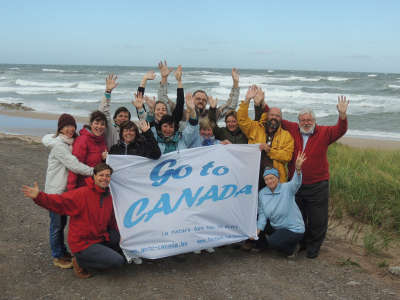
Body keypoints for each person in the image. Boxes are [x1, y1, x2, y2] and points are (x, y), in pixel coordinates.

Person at [22, 163, 125, 278]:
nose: (104, 178)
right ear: (94, 176)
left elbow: (111, 221)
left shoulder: (108, 196)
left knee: (121, 241)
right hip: (83, 242)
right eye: (101, 175)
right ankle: (80, 261)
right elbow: (59, 202)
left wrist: (121, 235)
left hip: (98, 237)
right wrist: (39, 196)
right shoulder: (81, 194)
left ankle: (98, 255)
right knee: (118, 261)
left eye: (108, 176)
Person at [281, 96, 349, 259]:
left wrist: (342, 115)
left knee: (318, 219)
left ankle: (314, 246)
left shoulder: (324, 132)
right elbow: (276, 118)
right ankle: (302, 243)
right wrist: (260, 103)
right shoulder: (292, 129)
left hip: (318, 184)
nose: (306, 122)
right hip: (296, 184)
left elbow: (340, 129)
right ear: (298, 121)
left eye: (309, 120)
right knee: (299, 216)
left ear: (314, 121)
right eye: (303, 120)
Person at [41, 114, 94, 269]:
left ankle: (62, 252)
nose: (70, 129)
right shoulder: (58, 145)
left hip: (65, 192)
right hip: (55, 192)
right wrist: (95, 172)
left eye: (72, 126)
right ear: (60, 128)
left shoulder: (69, 142)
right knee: (57, 225)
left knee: (62, 223)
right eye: (66, 126)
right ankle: (57, 256)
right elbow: (74, 165)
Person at [237, 85, 294, 185]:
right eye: (272, 115)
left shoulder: (286, 136)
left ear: (281, 119)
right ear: (267, 116)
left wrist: (270, 151)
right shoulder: (255, 128)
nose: (274, 118)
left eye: (277, 116)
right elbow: (242, 120)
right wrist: (247, 100)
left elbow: (287, 156)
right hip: (253, 176)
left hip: (275, 180)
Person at [254, 152, 307, 257]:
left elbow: (296, 183)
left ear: (277, 178)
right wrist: (258, 230)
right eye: (267, 179)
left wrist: (298, 170)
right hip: (277, 226)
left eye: (272, 178)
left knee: (274, 242)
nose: (270, 181)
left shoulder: (287, 188)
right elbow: (263, 214)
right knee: (256, 223)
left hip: (293, 229)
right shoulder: (262, 193)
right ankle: (262, 245)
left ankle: (292, 249)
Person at [99, 71, 156, 148]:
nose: (123, 118)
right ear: (115, 119)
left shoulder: (132, 132)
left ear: (129, 120)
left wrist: (140, 108)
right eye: (120, 116)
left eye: (126, 116)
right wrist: (108, 92)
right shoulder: (110, 129)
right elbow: (104, 112)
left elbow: (144, 122)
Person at [134, 63, 184, 131]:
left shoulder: (173, 121)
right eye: (158, 109)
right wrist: (144, 79)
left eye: (163, 109)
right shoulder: (148, 123)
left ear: (167, 112)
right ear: (154, 112)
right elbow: (139, 101)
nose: (161, 112)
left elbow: (180, 104)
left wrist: (179, 80)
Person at [67, 111, 108, 190]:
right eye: (96, 123)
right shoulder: (83, 140)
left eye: (102, 124)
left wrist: (103, 159)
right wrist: (71, 190)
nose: (99, 126)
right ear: (91, 124)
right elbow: (74, 166)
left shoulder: (103, 141)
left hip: (97, 186)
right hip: (83, 187)